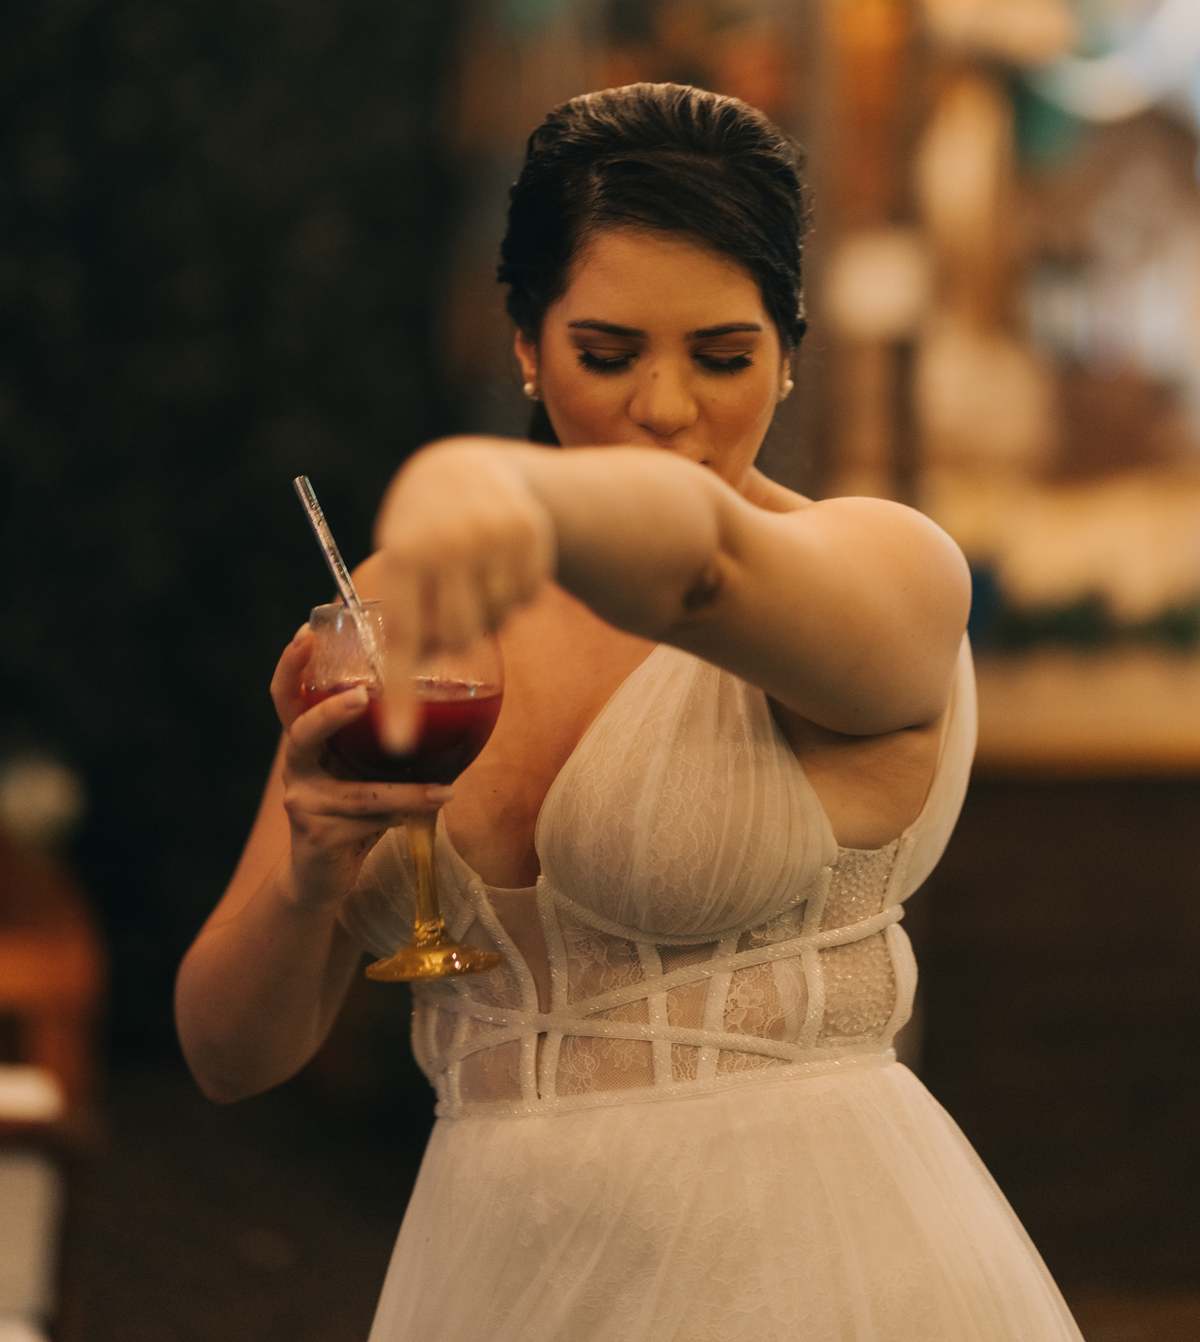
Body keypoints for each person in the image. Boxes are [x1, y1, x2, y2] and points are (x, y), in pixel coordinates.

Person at [176, 83, 1084, 1341]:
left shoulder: (881, 571)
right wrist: (307, 869)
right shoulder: (403, 608)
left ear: (790, 355)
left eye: (724, 357)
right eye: (607, 355)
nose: (665, 407)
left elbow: (695, 566)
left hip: (814, 1271)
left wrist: (482, 479)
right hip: (491, 1278)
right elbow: (228, 1058)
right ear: (526, 344)